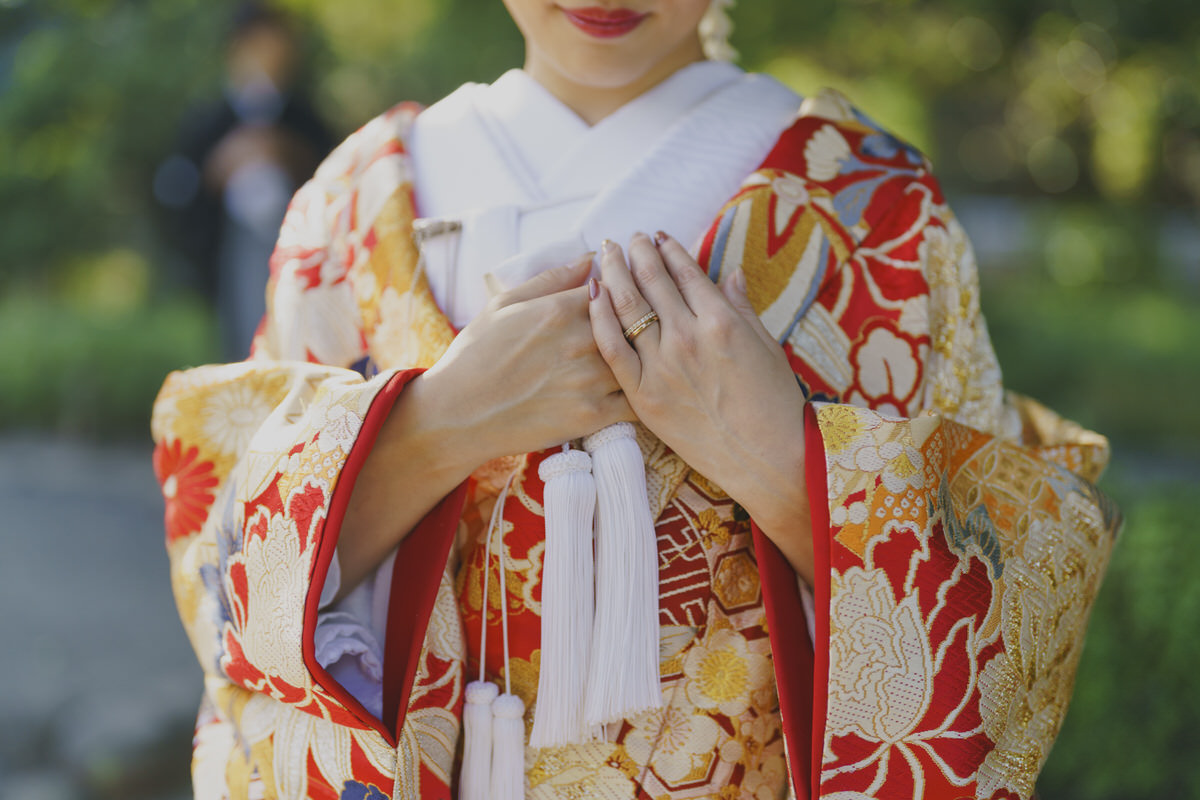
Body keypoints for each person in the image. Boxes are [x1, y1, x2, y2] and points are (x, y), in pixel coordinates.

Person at [150, 1, 1120, 798]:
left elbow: (1002, 625)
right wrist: (437, 426)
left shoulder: (873, 209)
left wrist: (785, 462)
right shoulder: (355, 199)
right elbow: (234, 574)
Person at [154, 1, 334, 360]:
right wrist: (217, 169)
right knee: (243, 349)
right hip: (230, 255)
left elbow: (336, 177)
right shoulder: (207, 123)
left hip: (300, 255)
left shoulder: (305, 119)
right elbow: (172, 189)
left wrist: (288, 153)